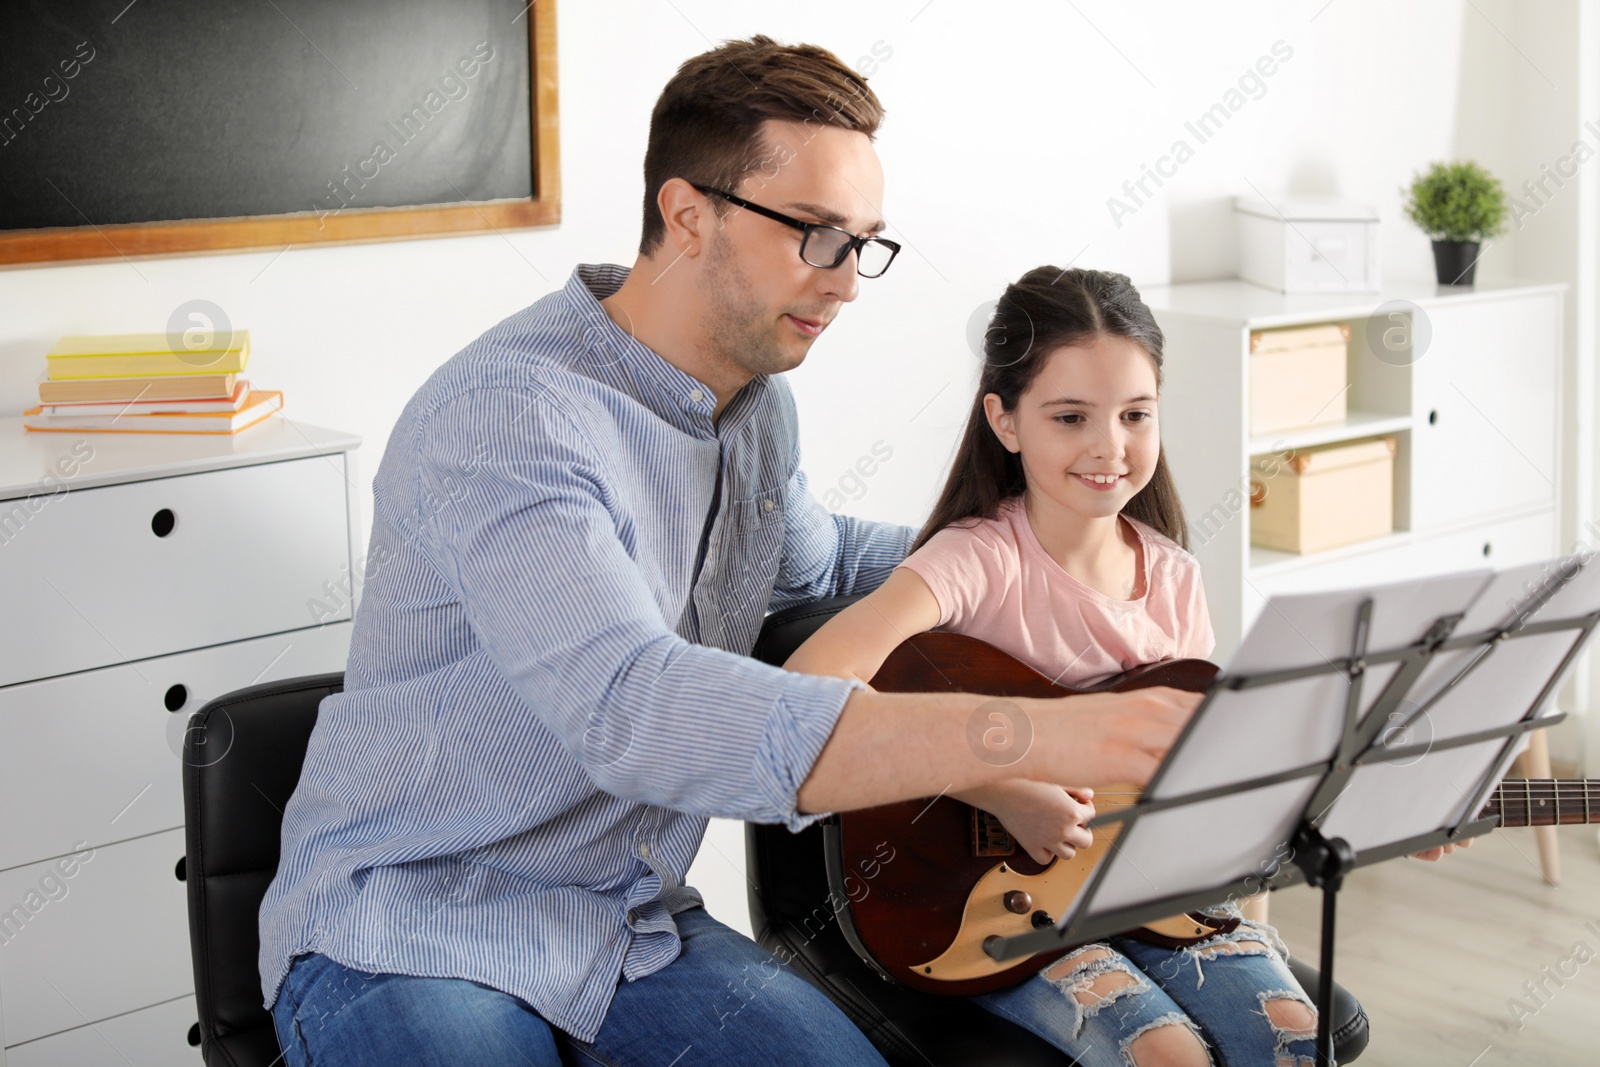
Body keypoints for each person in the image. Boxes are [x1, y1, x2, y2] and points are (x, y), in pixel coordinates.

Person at [257, 38, 1200, 1067]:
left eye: (863, 244)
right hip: (413, 921)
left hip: (624, 922)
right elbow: (634, 702)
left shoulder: (753, 409)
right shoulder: (510, 418)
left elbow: (815, 563)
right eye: (816, 236)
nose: (844, 282)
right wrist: (1032, 738)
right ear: (687, 213)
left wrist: (1047, 556)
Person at [782, 267, 1322, 1067]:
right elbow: (806, 682)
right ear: (1004, 420)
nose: (1110, 446)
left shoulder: (1173, 576)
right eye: (1071, 417)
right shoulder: (977, 559)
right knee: (1167, 1053)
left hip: (1153, 897)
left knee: (1292, 1035)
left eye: (1137, 415)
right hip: (994, 909)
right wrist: (997, 784)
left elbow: (1205, 785)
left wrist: (1258, 892)